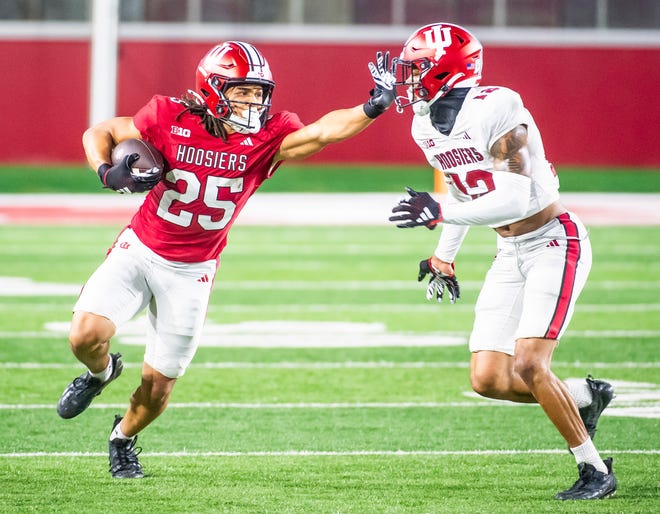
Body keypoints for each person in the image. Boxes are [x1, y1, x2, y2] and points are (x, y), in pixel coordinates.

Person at [56, 41, 396, 478]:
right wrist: (107, 170)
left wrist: (372, 107)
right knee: (84, 335)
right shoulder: (167, 115)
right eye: (243, 91)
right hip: (140, 248)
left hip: (193, 270)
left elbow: (323, 131)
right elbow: (99, 132)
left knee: (158, 387)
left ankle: (121, 438)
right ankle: (101, 375)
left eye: (259, 92)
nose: (254, 101)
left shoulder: (269, 136)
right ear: (214, 88)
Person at [386, 23, 616, 500]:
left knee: (531, 363)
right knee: (488, 378)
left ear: (449, 70)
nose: (408, 79)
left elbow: (514, 197)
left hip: (554, 240)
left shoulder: (497, 105)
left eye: (418, 68)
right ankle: (583, 397)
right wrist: (444, 255)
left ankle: (595, 470)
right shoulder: (424, 121)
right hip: (508, 251)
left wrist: (439, 211)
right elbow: (461, 185)